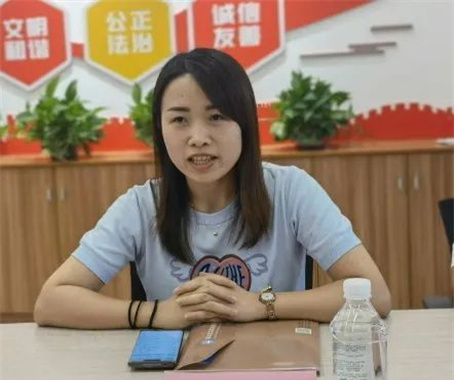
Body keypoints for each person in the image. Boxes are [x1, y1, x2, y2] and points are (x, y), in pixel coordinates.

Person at [34, 48, 391, 330]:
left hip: (275, 373)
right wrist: (157, 313)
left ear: (245, 123)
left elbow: (374, 294)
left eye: (217, 116)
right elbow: (51, 301)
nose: (198, 138)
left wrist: (260, 304)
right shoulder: (141, 206)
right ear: (160, 130)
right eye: (179, 119)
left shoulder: (291, 191)